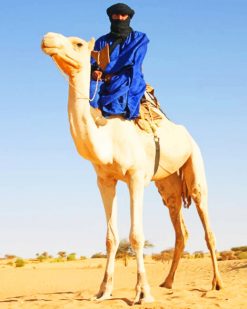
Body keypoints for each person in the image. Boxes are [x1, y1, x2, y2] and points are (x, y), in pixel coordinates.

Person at [90, 3, 149, 126]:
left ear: (128, 17)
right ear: (111, 17)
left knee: (121, 91)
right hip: (102, 79)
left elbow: (133, 61)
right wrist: (95, 70)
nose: (120, 18)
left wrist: (109, 70)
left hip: (127, 76)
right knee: (88, 91)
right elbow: (93, 61)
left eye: (123, 15)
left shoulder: (139, 39)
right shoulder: (102, 41)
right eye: (116, 15)